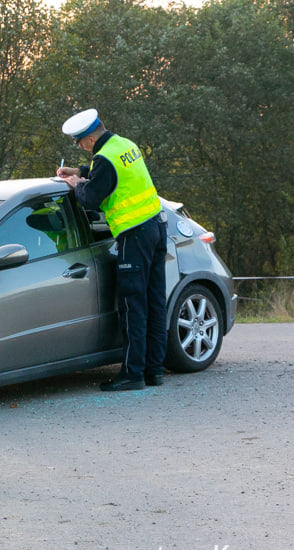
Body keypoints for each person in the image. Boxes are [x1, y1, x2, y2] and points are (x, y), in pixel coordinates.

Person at [58, 109, 167, 391]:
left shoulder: (105, 159)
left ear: (91, 137)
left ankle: (133, 374)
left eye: (79, 141)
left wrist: (76, 184)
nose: (79, 146)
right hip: (155, 227)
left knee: (132, 307)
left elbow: (92, 198)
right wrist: (80, 171)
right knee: (155, 303)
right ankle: (154, 370)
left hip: (134, 235)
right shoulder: (124, 145)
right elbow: (109, 175)